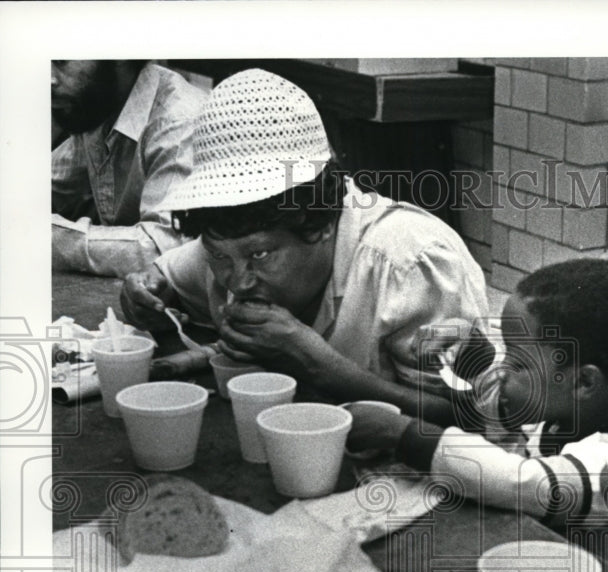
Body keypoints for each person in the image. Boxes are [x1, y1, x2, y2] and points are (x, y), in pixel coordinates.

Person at [119, 68, 488, 424]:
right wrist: (145, 292)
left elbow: (471, 417)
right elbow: (162, 276)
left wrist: (315, 362)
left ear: (322, 223)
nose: (238, 282)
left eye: (259, 255)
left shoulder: (410, 265)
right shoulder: (230, 245)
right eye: (220, 256)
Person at [345, 258, 608, 533]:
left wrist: (401, 433)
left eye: (518, 361)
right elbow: (494, 393)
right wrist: (471, 347)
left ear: (583, 382)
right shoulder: (556, 411)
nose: (504, 369)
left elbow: (521, 481)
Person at [52, 60, 207, 277]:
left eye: (60, 61)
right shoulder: (98, 106)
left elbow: (165, 251)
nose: (48, 78)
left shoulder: (178, 122)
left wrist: (51, 238)